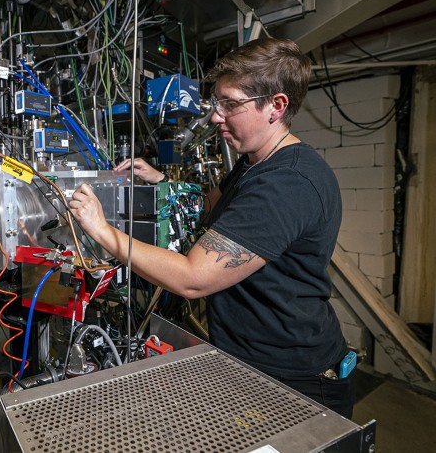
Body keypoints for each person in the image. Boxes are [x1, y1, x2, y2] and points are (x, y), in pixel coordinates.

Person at [69, 37, 354, 418]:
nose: (216, 116)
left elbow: (193, 278)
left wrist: (102, 231)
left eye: (230, 104)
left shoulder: (287, 184)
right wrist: (162, 182)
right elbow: (211, 202)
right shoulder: (254, 161)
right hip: (251, 361)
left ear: (276, 105)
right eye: (216, 103)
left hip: (294, 379)